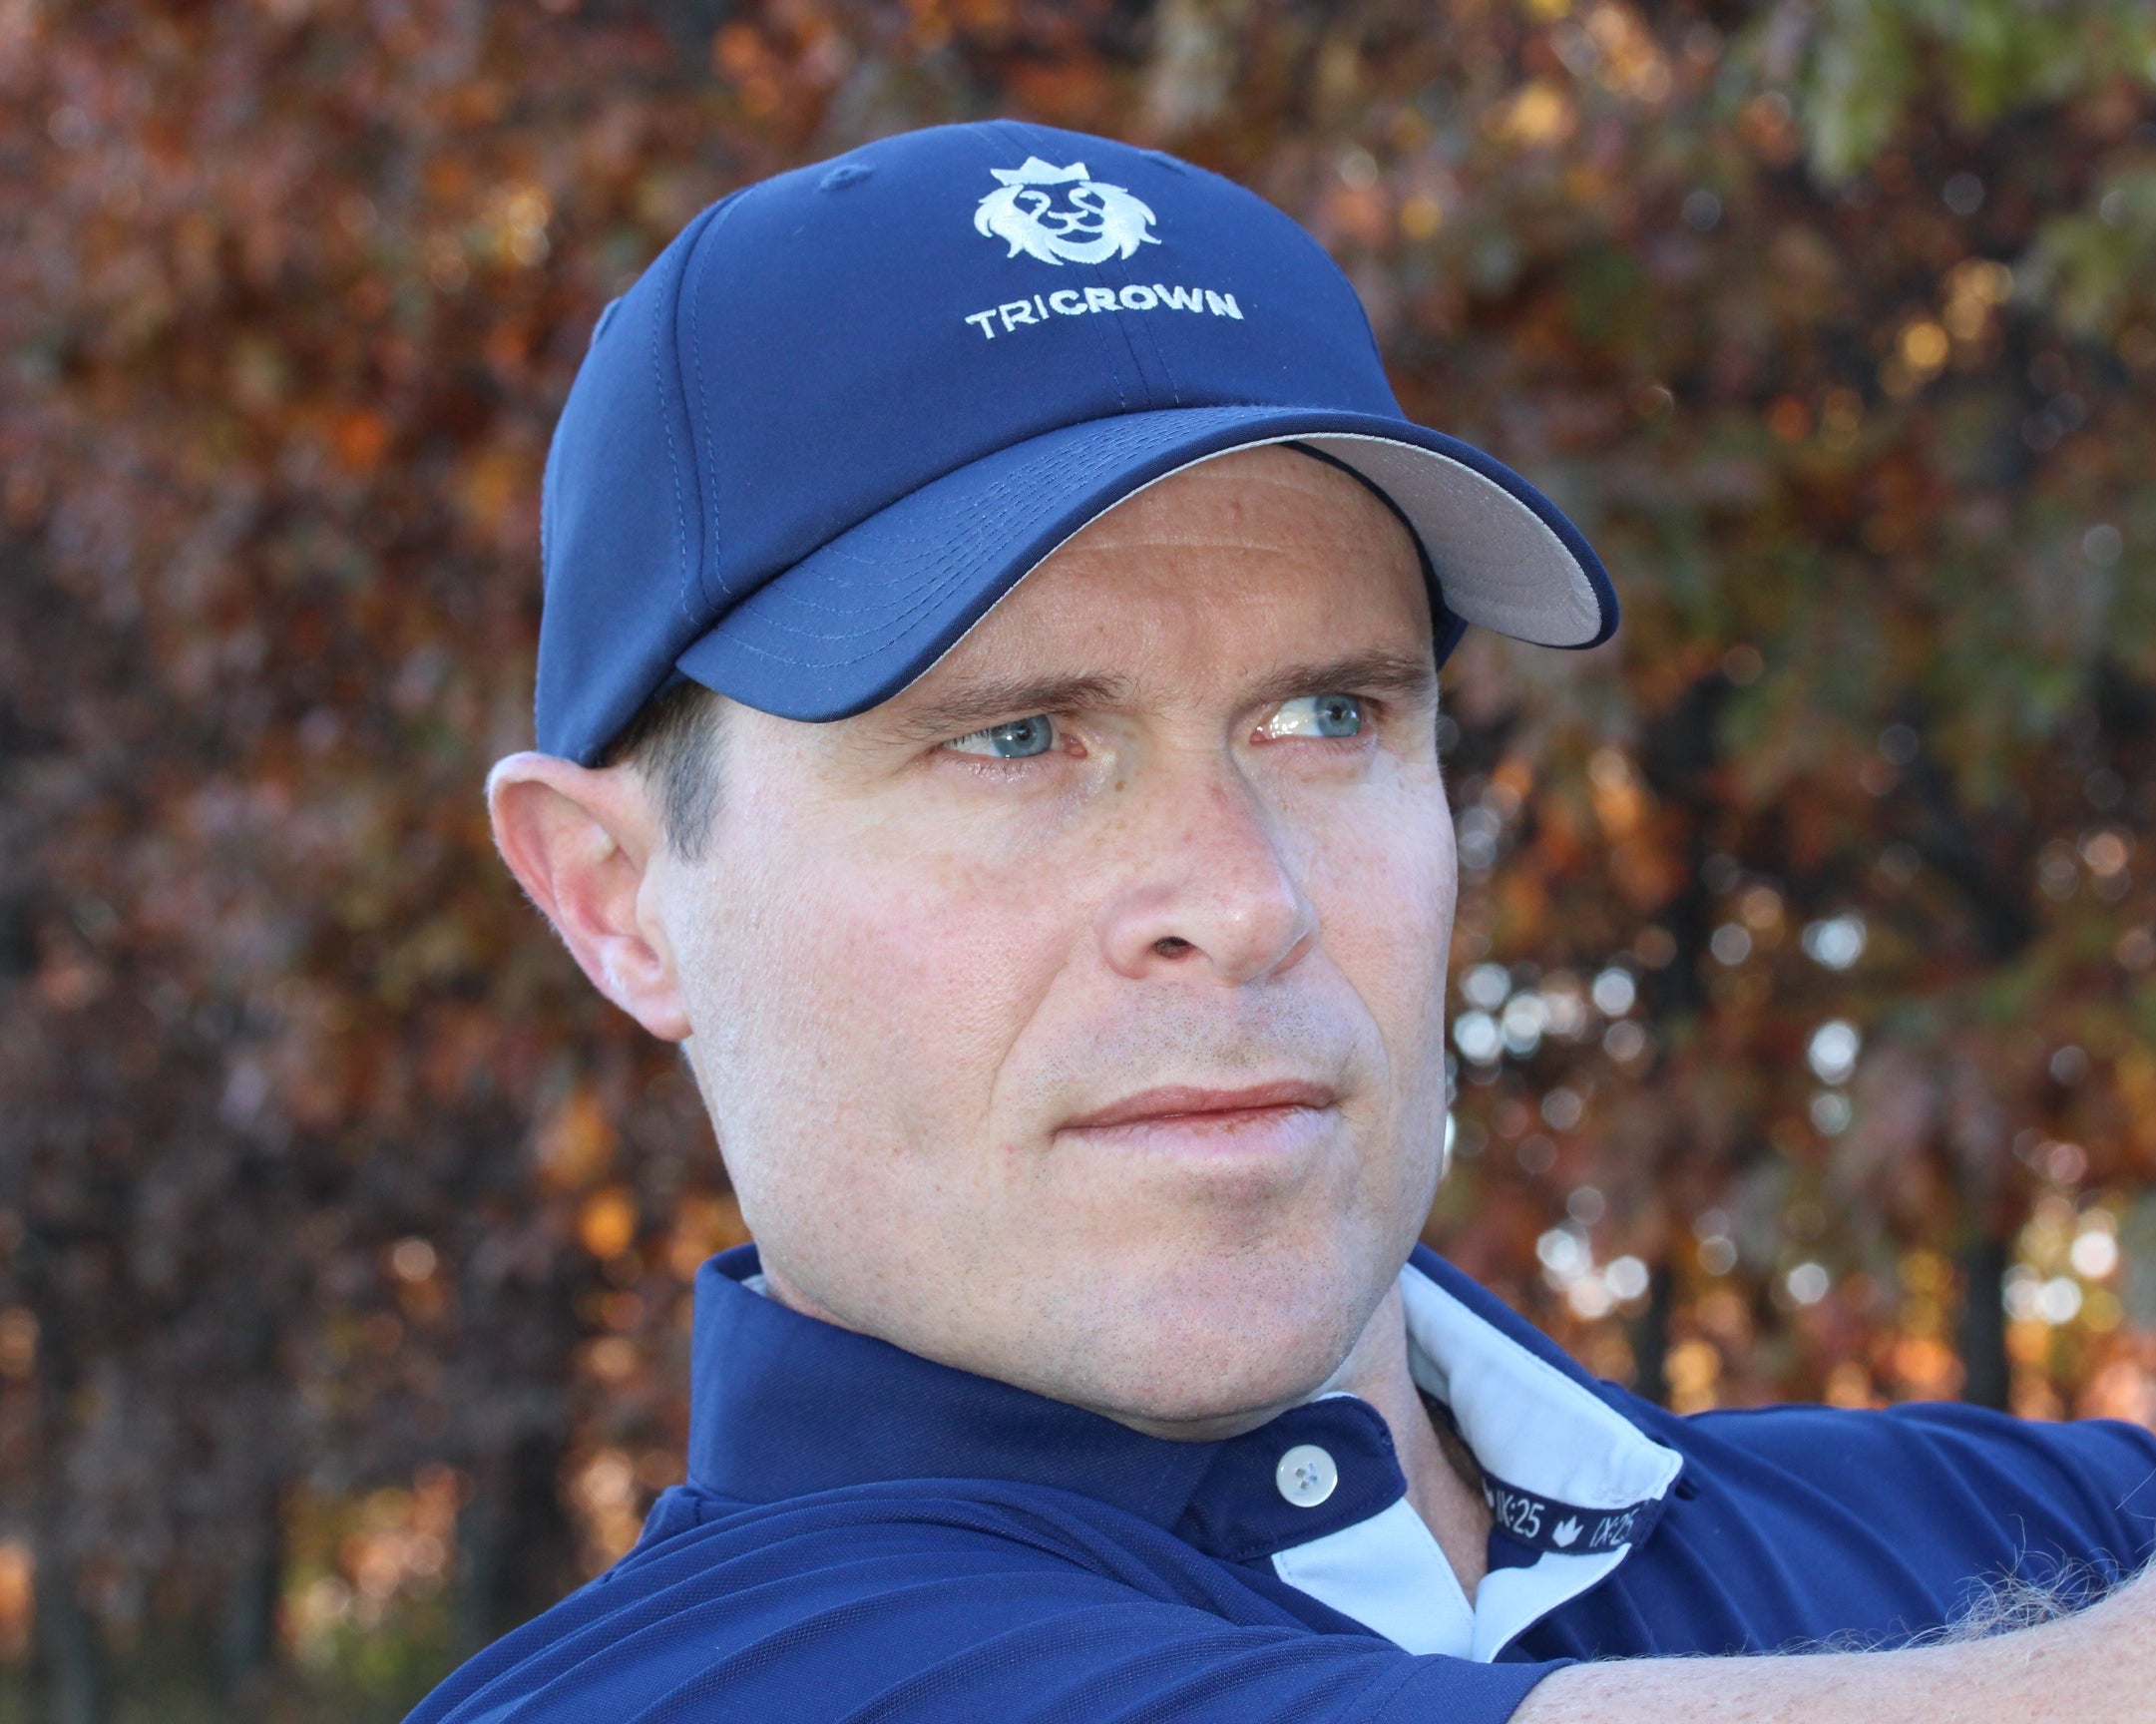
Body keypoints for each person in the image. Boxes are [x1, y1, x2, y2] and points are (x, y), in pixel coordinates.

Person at [409, 123, 2156, 1723]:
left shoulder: (2018, 1527)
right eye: (1016, 739)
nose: (1244, 901)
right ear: (614, 899)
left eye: (1329, 718)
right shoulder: (665, 1698)